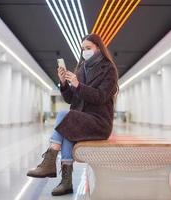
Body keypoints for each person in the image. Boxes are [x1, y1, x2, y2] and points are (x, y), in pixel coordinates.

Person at [26, 33, 119, 196]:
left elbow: (100, 97)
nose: (85, 51)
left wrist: (77, 84)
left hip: (99, 122)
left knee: (65, 117)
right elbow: (71, 99)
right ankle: (66, 182)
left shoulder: (108, 69)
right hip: (81, 119)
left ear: (98, 48)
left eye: (88, 48)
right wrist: (64, 83)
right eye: (83, 49)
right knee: (68, 129)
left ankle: (49, 161)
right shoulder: (81, 68)